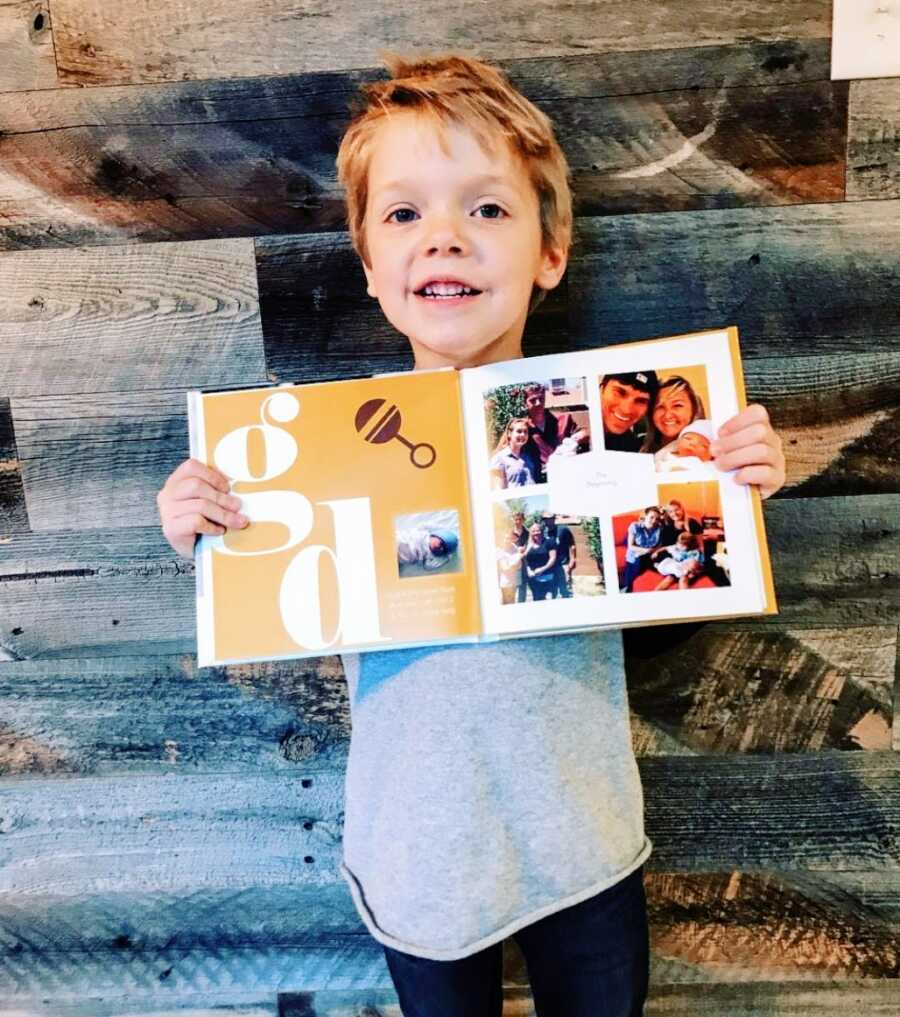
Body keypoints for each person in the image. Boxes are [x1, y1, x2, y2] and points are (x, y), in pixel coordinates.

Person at [156, 53, 786, 1017]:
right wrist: (202, 528)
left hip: (581, 836)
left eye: (487, 209)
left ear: (549, 251)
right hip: (417, 846)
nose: (444, 238)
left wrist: (728, 490)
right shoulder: (313, 455)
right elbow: (278, 591)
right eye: (404, 214)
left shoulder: (622, 429)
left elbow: (660, 619)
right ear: (369, 265)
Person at [521, 382, 588, 481]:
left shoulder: (564, 419)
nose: (538, 403)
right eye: (533, 400)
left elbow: (585, 434)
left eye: (541, 398)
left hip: (567, 476)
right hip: (541, 481)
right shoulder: (522, 428)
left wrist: (575, 439)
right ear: (524, 403)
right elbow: (502, 452)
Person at [641, 375, 706, 455]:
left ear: (694, 409)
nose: (668, 415)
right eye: (660, 406)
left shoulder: (710, 451)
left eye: (677, 405)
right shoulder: (638, 446)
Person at [599, 371, 659, 452]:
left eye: (641, 401)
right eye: (619, 392)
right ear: (602, 390)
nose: (626, 410)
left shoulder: (630, 447)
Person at [489, 416, 539, 488]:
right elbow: (498, 491)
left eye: (525, 432)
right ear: (509, 434)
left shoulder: (528, 457)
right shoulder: (499, 459)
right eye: (519, 431)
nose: (523, 435)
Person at [622, 506, 663, 593]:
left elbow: (659, 545)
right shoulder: (635, 526)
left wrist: (655, 551)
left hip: (650, 555)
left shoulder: (659, 528)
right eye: (651, 517)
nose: (654, 521)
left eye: (657, 518)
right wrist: (646, 551)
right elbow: (631, 546)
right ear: (645, 516)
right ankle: (627, 588)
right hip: (635, 555)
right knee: (638, 562)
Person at [543, 512, 576, 598]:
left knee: (564, 589)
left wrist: (572, 560)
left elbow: (572, 545)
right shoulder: (543, 532)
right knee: (551, 591)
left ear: (554, 519)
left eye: (550, 519)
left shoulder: (563, 529)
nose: (548, 521)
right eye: (546, 519)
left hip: (563, 564)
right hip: (550, 566)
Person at [524, 521, 558, 601]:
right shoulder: (528, 544)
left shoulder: (549, 542)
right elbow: (525, 559)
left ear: (541, 531)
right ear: (531, 533)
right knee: (536, 599)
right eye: (533, 531)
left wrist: (541, 569)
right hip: (533, 578)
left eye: (538, 530)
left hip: (547, 577)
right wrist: (528, 570)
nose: (536, 533)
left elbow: (552, 558)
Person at [496, 530, 526, 604]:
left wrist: (512, 564)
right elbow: (505, 568)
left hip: (514, 582)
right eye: (505, 538)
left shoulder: (515, 548)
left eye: (509, 538)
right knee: (505, 603)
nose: (507, 540)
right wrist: (519, 558)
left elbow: (520, 566)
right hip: (504, 583)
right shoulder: (499, 551)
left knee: (512, 602)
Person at [510, 510, 530, 603]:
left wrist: (525, 550)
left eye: (520, 519)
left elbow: (529, 545)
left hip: (524, 563)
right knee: (512, 588)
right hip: (512, 564)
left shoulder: (528, 532)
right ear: (513, 520)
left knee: (523, 588)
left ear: (523, 520)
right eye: (516, 519)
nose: (517, 521)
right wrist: (517, 549)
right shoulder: (509, 532)